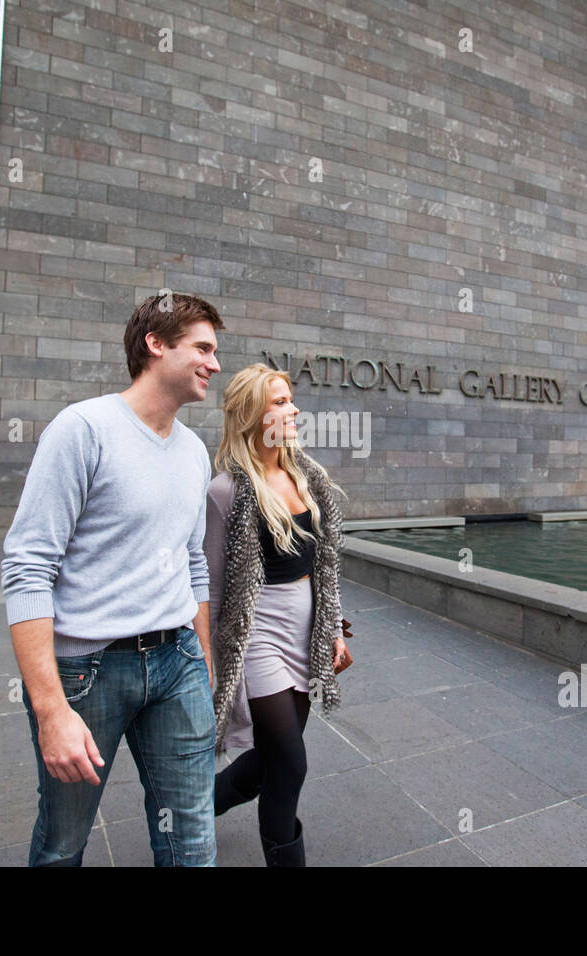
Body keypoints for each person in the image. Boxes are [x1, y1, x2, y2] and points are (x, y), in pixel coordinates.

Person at [1, 293, 224, 866]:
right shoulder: (83, 429)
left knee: (192, 838)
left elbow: (193, 561)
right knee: (63, 842)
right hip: (86, 672)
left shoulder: (196, 452)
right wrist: (51, 711)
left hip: (177, 665)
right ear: (156, 344)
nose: (215, 364)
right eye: (202, 347)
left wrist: (200, 657)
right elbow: (28, 565)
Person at [205, 364, 350, 866]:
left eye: (291, 400)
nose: (293, 410)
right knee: (290, 763)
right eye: (280, 402)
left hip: (305, 633)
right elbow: (216, 587)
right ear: (251, 415)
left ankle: (202, 806)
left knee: (270, 760)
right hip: (258, 636)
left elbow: (324, 564)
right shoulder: (227, 490)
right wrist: (212, 665)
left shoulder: (307, 476)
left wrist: (332, 628)